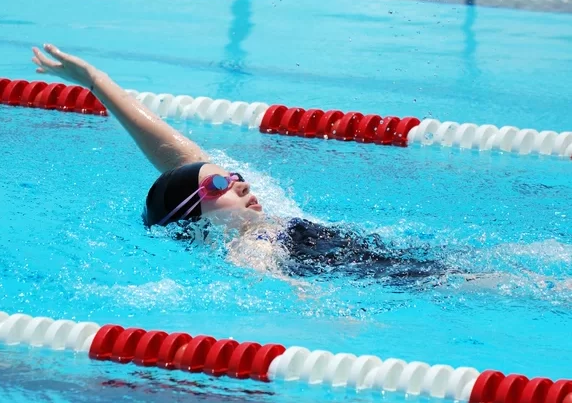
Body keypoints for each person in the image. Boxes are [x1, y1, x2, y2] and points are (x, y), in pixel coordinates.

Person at [31, 44, 454, 285]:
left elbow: (175, 154)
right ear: (191, 220)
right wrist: (318, 309)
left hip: (403, 261)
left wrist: (96, 82)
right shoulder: (248, 244)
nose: (237, 182)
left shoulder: (238, 222)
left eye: (233, 177)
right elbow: (269, 279)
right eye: (219, 184)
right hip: (412, 280)